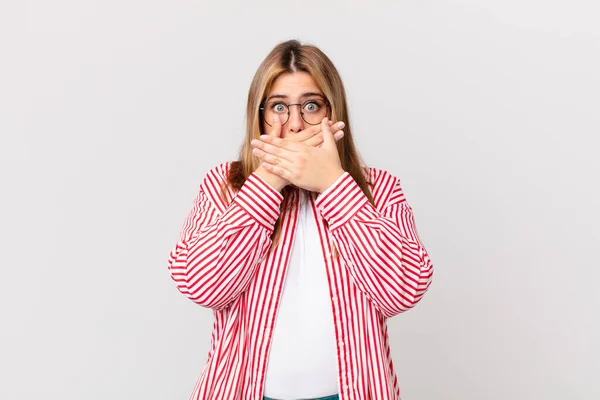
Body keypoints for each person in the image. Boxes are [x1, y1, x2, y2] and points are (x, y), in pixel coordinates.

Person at [167, 39, 434, 400]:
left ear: (332, 113)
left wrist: (334, 185)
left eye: (310, 106)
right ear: (259, 114)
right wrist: (268, 180)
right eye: (279, 107)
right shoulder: (223, 185)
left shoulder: (379, 188)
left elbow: (402, 291)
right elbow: (203, 286)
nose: (294, 125)